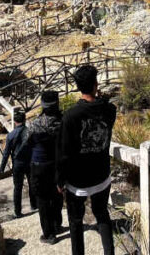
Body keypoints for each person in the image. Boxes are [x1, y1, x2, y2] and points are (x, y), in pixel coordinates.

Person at [57, 65, 116, 255]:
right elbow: (106, 108)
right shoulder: (109, 110)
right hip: (101, 175)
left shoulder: (70, 117)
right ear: (95, 84)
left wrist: (59, 179)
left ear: (77, 86)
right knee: (102, 215)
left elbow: (64, 153)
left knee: (75, 221)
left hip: (78, 179)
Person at [27, 91, 64, 245]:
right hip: (57, 165)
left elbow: (28, 143)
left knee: (42, 199)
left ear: (42, 105)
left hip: (39, 166)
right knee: (56, 195)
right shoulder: (62, 123)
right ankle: (57, 225)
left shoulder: (35, 124)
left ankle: (48, 234)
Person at [0, 110, 35, 218]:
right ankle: (34, 205)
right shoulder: (30, 132)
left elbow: (6, 153)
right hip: (30, 162)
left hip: (17, 164)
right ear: (24, 120)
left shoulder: (10, 135)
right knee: (32, 185)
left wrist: (2, 167)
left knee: (17, 188)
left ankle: (18, 212)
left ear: (14, 121)